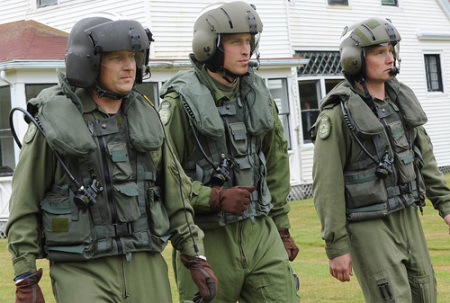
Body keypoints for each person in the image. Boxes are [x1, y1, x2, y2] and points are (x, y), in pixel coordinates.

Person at [6, 16, 217, 303]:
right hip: (81, 269)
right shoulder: (53, 122)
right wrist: (25, 277)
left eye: (133, 56)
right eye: (117, 58)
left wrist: (195, 257)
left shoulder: (147, 116)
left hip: (145, 262)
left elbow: (175, 192)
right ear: (88, 61)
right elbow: (24, 203)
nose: (130, 66)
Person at [159, 2, 300, 302]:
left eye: (248, 41)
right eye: (236, 42)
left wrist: (282, 226)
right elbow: (164, 178)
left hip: (259, 230)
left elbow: (275, 162)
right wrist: (214, 198)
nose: (246, 49)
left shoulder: (258, 93)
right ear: (209, 46)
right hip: (207, 237)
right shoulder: (180, 103)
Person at [311, 17, 450, 302]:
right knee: (391, 297)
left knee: (426, 293)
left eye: (391, 50)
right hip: (369, 223)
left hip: (408, 214)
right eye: (379, 52)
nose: (390, 58)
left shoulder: (401, 103)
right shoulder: (338, 116)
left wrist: (446, 207)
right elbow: (327, 186)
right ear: (354, 60)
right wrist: (336, 246)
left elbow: (425, 161)